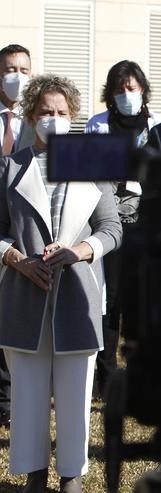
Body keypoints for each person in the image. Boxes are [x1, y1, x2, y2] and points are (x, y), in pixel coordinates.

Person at [0, 74, 122, 493]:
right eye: (45, 113)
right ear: (32, 117)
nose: (53, 119)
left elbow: (112, 227)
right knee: (29, 392)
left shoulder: (93, 162)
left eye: (61, 113)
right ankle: (35, 473)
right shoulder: (10, 166)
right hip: (24, 293)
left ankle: (70, 475)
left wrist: (80, 250)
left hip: (77, 296)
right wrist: (16, 259)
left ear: (73, 116)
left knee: (75, 395)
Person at [85, 60, 161, 399]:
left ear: (143, 90)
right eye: (120, 90)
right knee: (111, 299)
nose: (126, 95)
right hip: (109, 223)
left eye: (132, 88)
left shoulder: (157, 127)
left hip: (147, 223)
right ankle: (107, 375)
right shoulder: (97, 125)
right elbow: (88, 172)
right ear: (110, 94)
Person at [0, 43, 35, 428]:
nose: (17, 77)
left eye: (24, 69)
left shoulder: (40, 121)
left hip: (20, 233)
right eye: (10, 69)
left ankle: (9, 403)